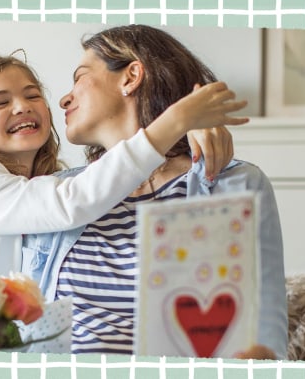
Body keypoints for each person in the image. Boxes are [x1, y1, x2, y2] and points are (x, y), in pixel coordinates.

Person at [0, 51, 248, 348]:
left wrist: (188, 137)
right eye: (0, 102)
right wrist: (176, 122)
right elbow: (74, 200)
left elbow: (87, 189)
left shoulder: (47, 183)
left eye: (32, 94)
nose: (21, 106)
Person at [22, 25, 287, 360]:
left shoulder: (232, 184)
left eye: (80, 77)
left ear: (130, 76)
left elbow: (264, 336)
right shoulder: (56, 193)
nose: (64, 98)